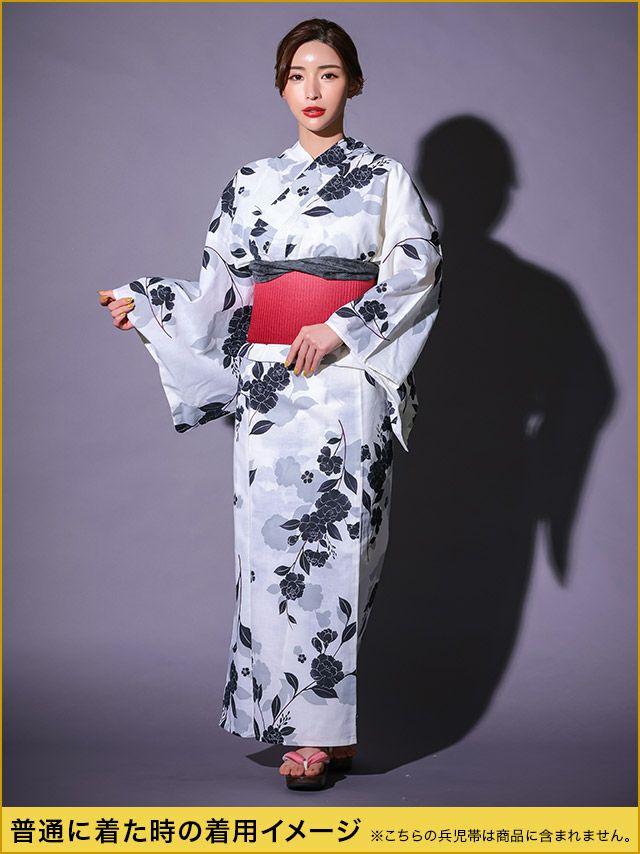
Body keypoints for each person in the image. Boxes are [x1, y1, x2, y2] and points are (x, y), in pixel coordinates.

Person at [99, 17, 443, 791]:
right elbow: (219, 296)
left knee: (341, 554)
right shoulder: (250, 182)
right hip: (270, 387)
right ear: (282, 86)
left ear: (354, 82)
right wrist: (148, 304)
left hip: (347, 385)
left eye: (328, 73)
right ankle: (308, 729)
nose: (312, 89)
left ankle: (322, 732)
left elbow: (416, 269)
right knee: (271, 555)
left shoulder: (384, 178)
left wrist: (342, 328)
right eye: (297, 75)